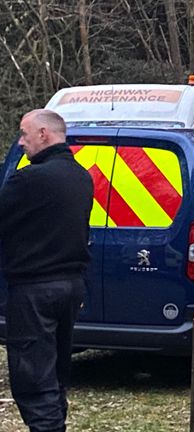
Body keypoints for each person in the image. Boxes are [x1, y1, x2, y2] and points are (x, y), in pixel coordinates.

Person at [0, 109, 93, 432]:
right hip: (70, 287)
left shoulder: (28, 179)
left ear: (44, 134)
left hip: (33, 291)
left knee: (34, 381)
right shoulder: (82, 177)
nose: (21, 142)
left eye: (25, 134)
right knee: (55, 374)